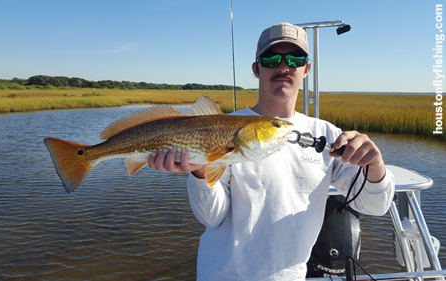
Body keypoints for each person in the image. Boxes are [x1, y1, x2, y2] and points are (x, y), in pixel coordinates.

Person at [148, 22, 395, 280]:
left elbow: (375, 205)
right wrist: (199, 172)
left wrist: (375, 165)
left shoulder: (327, 135)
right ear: (256, 68)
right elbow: (212, 217)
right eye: (271, 58)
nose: (283, 66)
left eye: (295, 58)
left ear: (306, 68)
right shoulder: (224, 129)